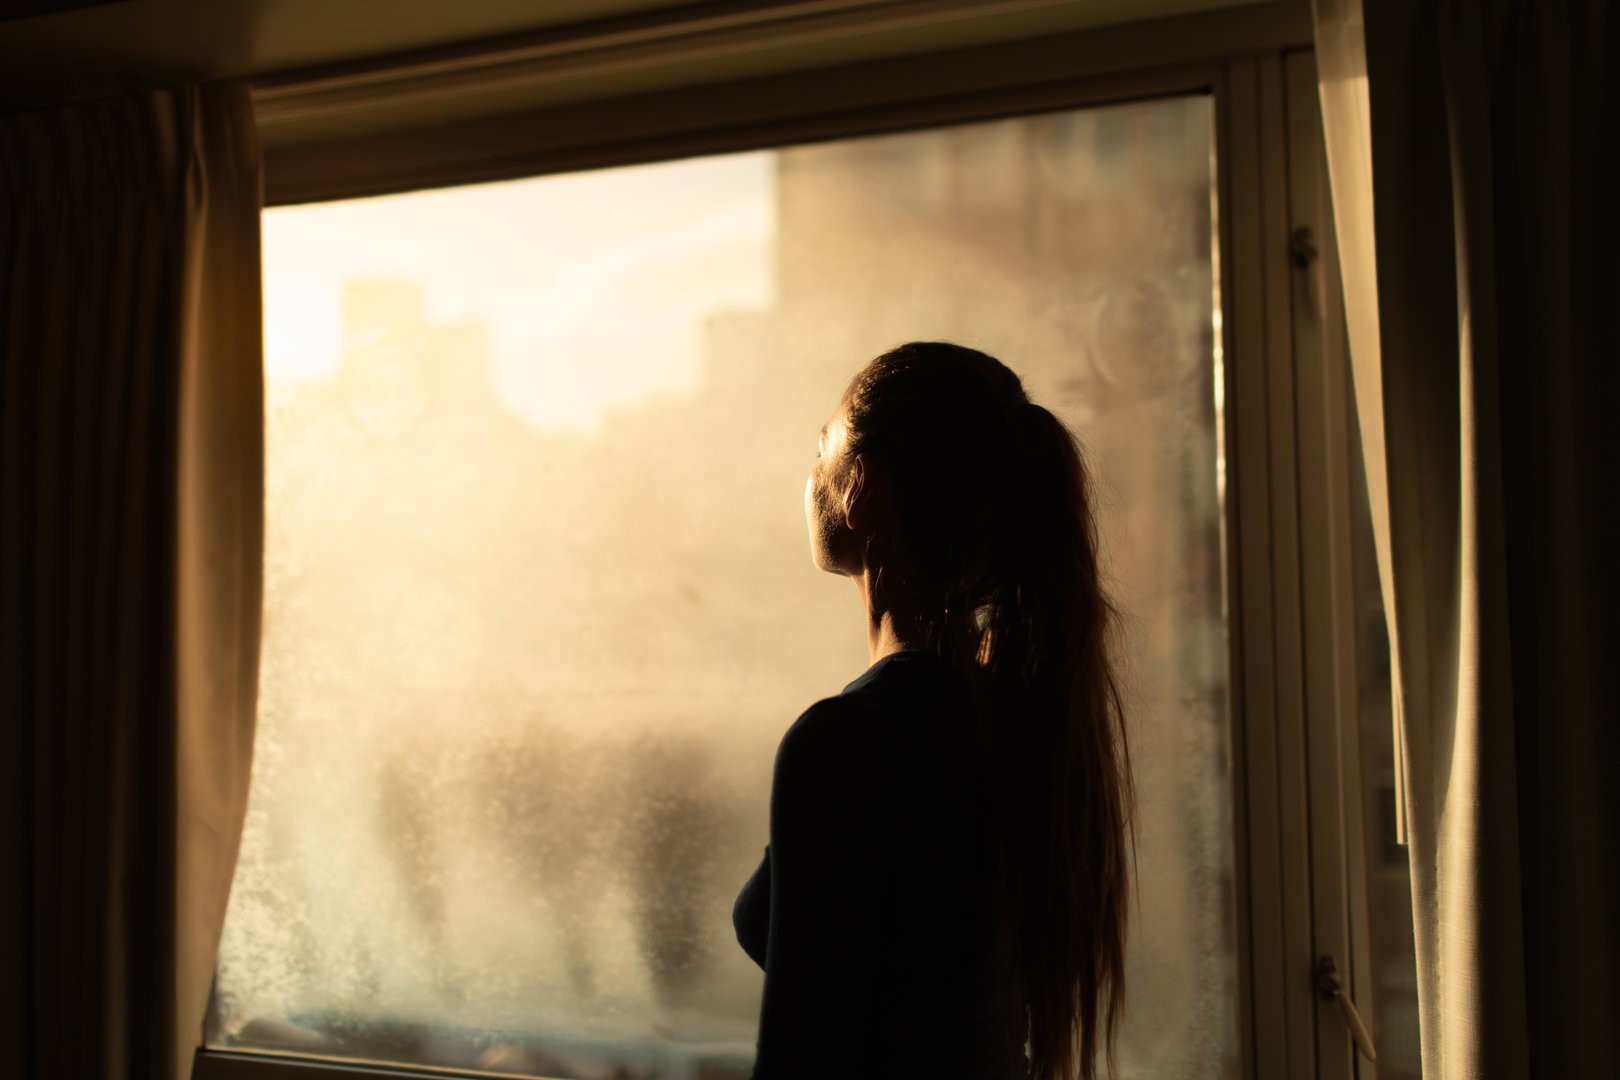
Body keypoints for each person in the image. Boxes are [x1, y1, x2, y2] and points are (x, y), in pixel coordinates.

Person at [732, 342, 1135, 1080]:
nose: (807, 478)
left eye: (821, 450)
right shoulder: (1013, 715)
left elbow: (804, 1060)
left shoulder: (853, 744)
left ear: (859, 487)